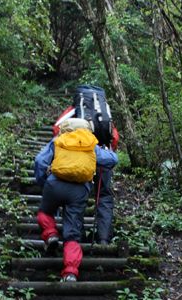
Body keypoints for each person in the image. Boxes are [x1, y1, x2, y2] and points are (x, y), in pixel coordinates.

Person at [34, 119, 118, 282]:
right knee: (72, 233)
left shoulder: (57, 141)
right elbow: (113, 159)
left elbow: (39, 161)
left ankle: (51, 234)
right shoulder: (90, 144)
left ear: (64, 128)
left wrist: (43, 182)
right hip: (79, 191)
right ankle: (70, 272)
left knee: (45, 212)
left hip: (55, 184)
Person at [53, 104, 119, 245]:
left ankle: (77, 236)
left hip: (77, 160)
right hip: (103, 154)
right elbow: (114, 136)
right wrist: (108, 151)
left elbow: (57, 128)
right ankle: (103, 238)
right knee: (104, 197)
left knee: (74, 195)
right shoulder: (103, 109)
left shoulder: (73, 109)